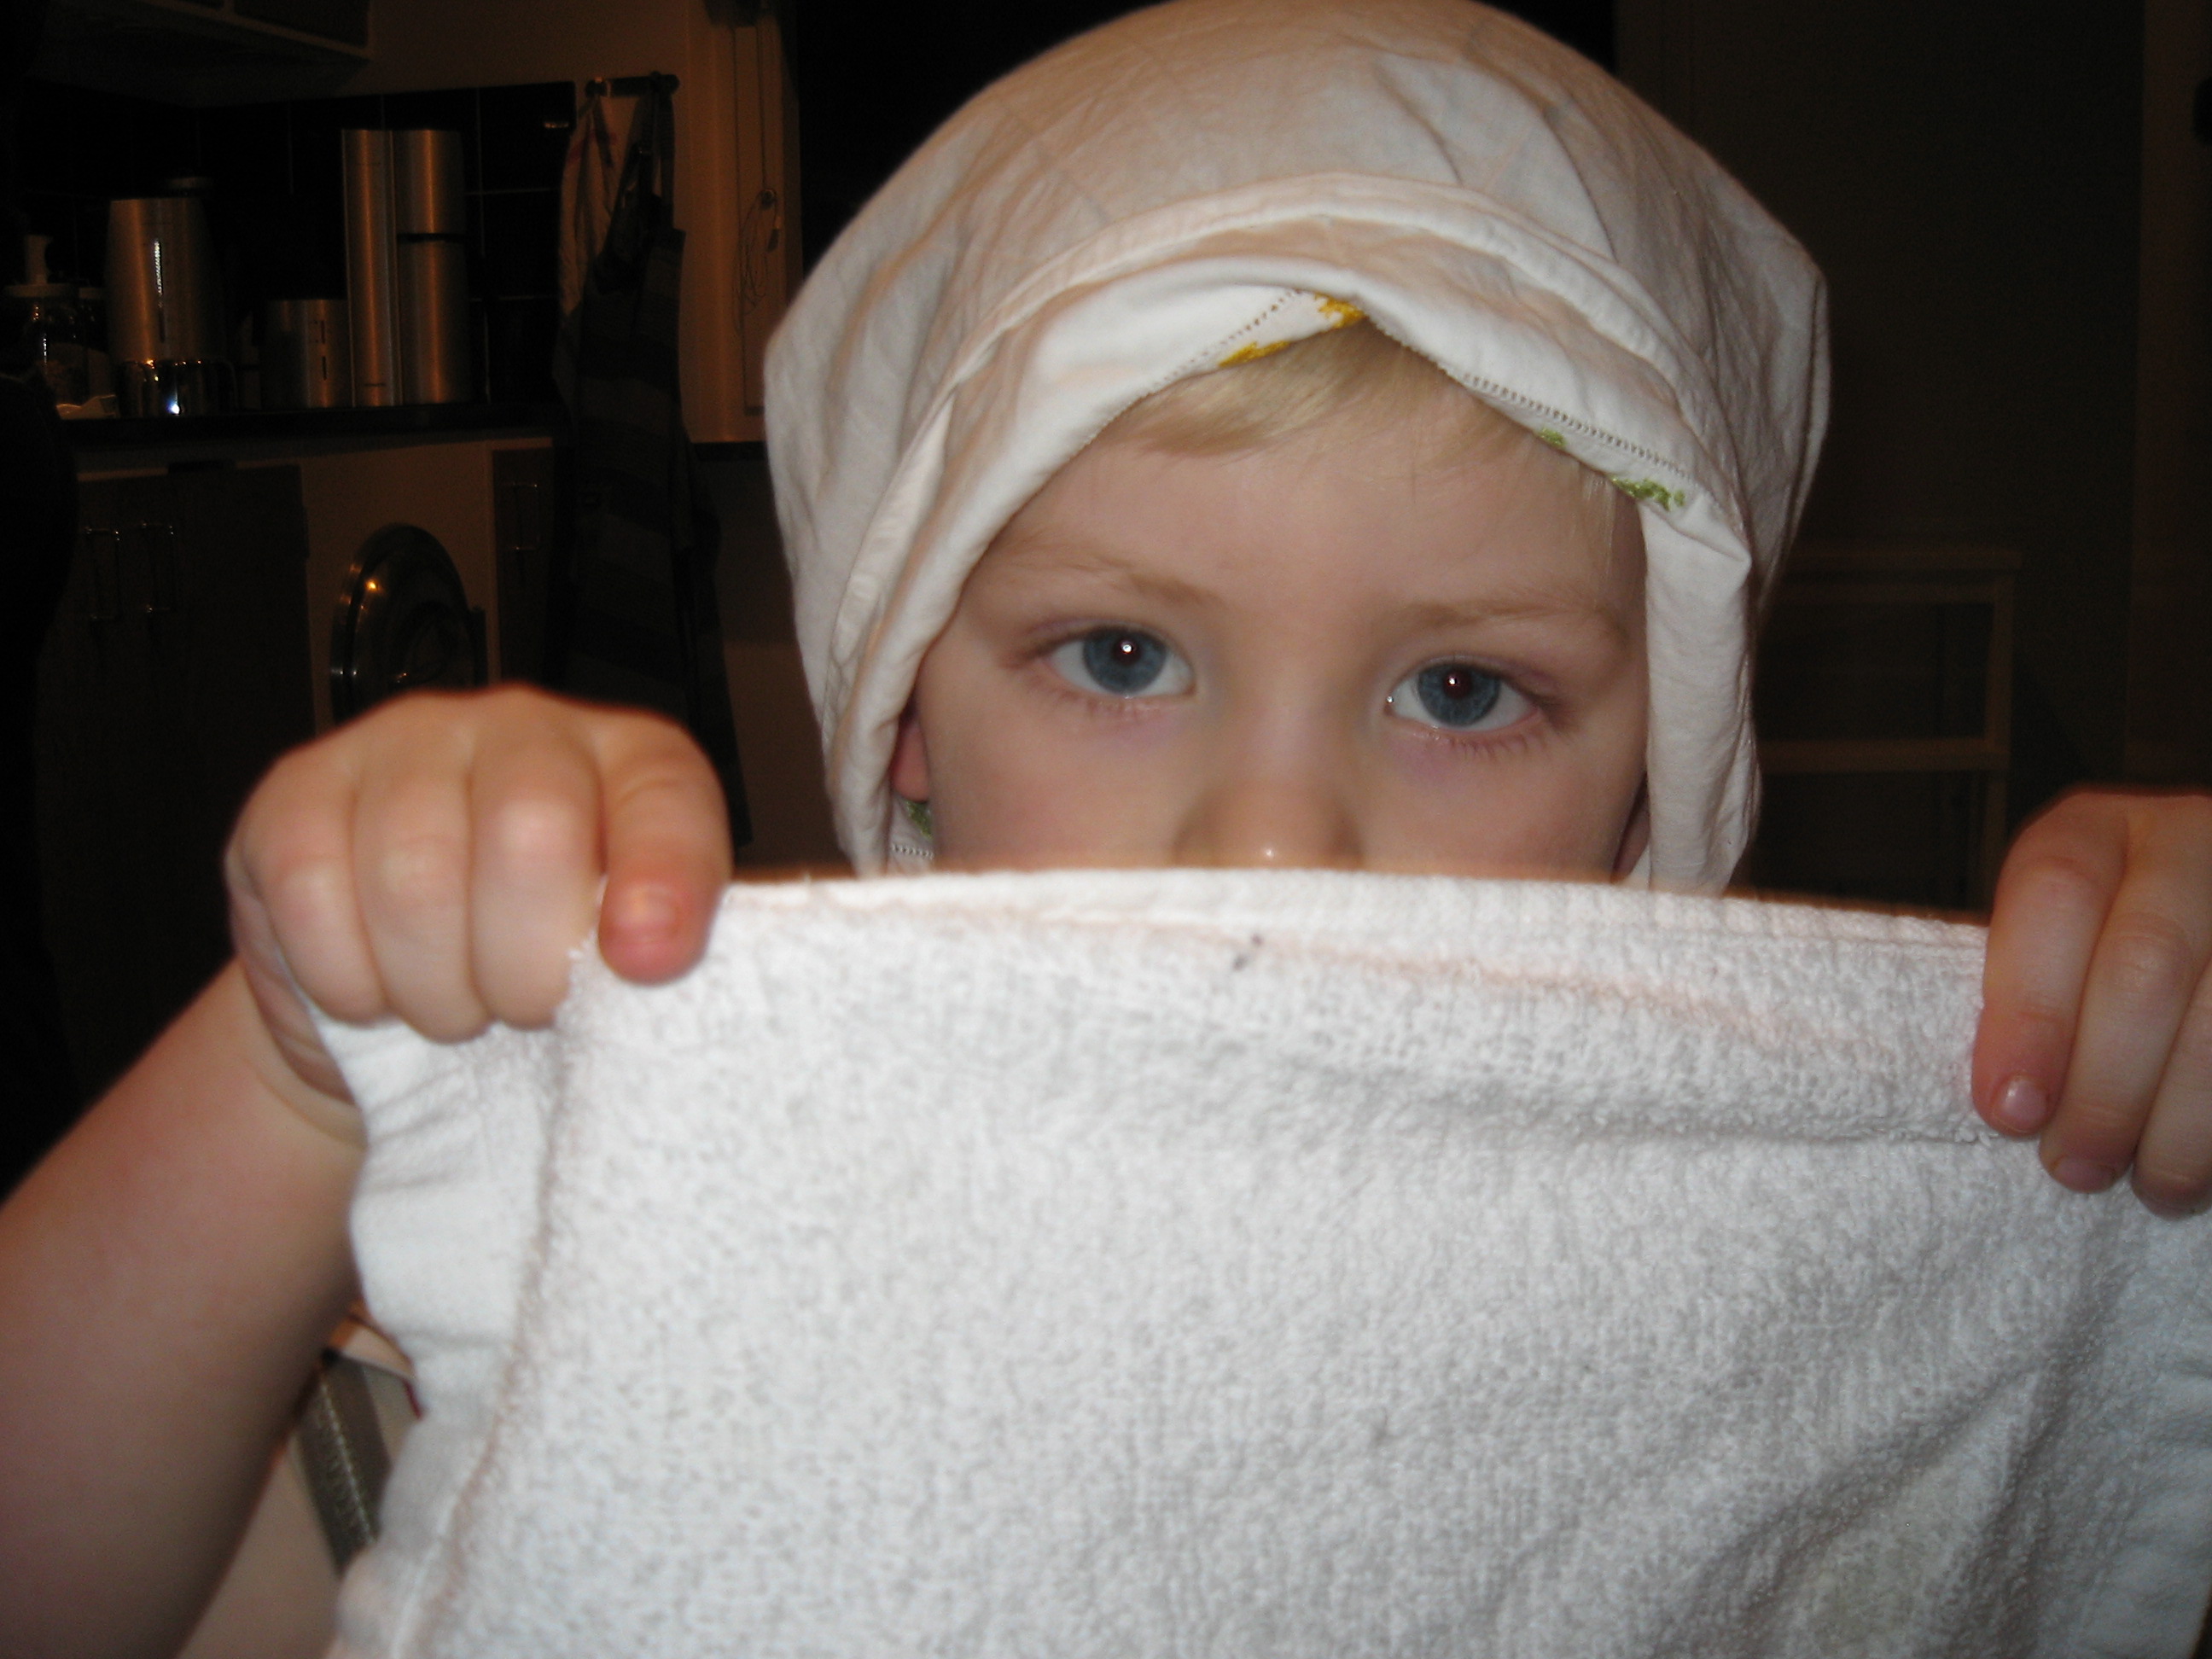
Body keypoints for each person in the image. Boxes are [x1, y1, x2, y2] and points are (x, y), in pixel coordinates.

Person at [3, 1, 2209, 1651]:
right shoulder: (698, 1196)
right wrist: (293, 1081)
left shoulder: (1799, 1291)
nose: (1274, 841)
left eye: (1461, 691)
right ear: (904, 731)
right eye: (1126, 655)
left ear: (1654, 791)